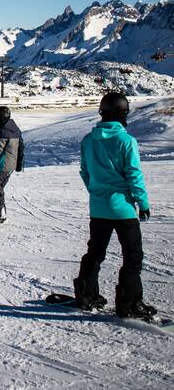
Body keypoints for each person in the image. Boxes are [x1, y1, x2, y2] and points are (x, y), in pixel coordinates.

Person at [72, 92, 156, 318]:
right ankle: (128, 303)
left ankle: (86, 295)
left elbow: (85, 171)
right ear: (122, 113)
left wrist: (96, 191)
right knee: (132, 256)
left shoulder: (89, 140)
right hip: (123, 209)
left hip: (98, 208)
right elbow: (133, 174)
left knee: (95, 253)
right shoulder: (126, 140)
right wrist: (143, 202)